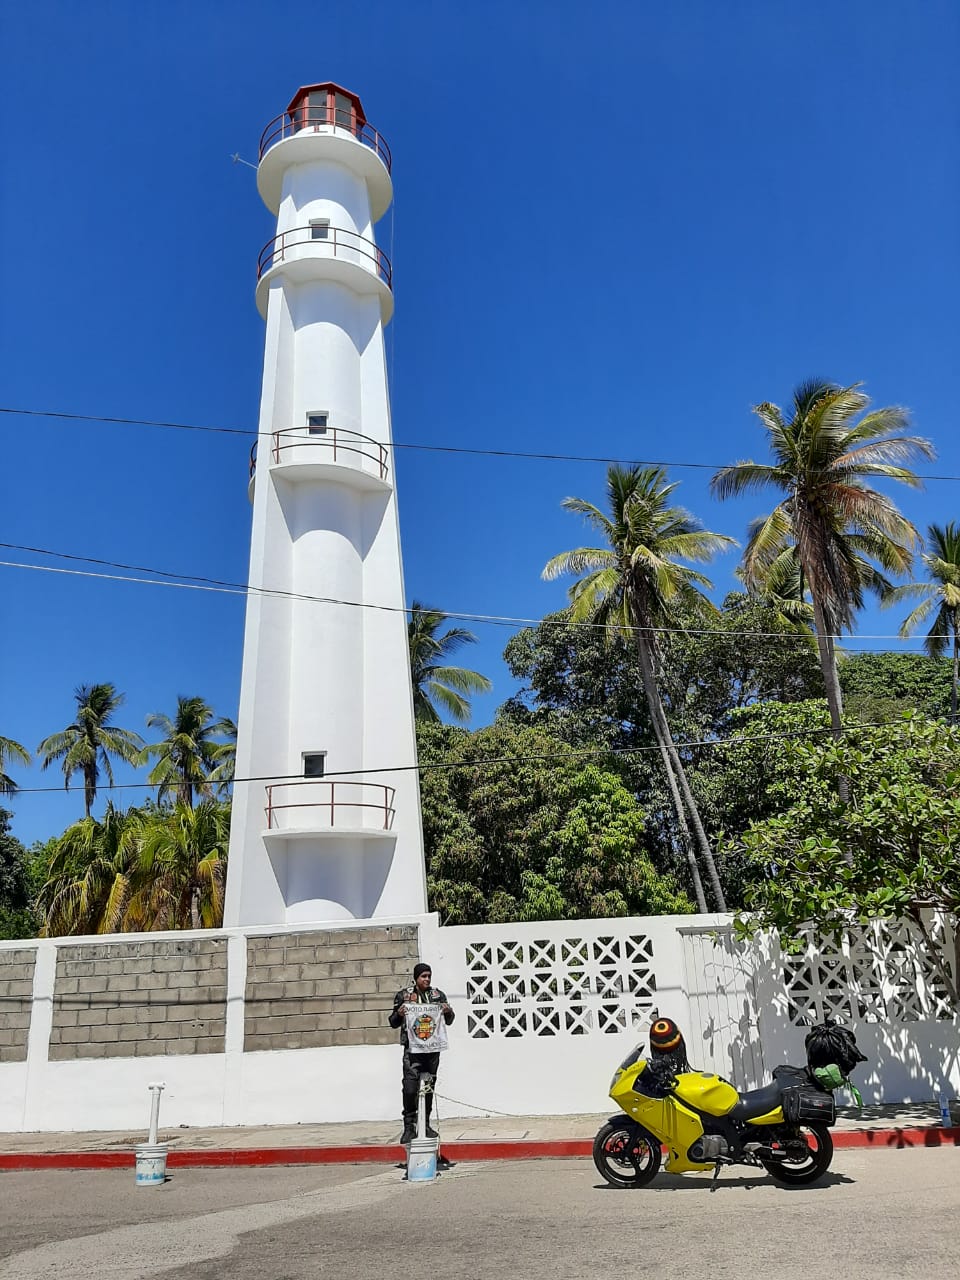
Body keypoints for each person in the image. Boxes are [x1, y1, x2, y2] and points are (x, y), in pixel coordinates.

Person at [388, 962, 455, 1144]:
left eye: (429, 976)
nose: (426, 979)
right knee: (410, 1089)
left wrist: (448, 1011)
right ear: (416, 978)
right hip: (412, 1051)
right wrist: (400, 1013)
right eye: (423, 976)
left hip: (432, 1051)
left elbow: (450, 1020)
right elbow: (392, 1022)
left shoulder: (437, 996)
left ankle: (425, 1123)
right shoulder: (404, 996)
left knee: (428, 1088)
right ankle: (409, 1126)